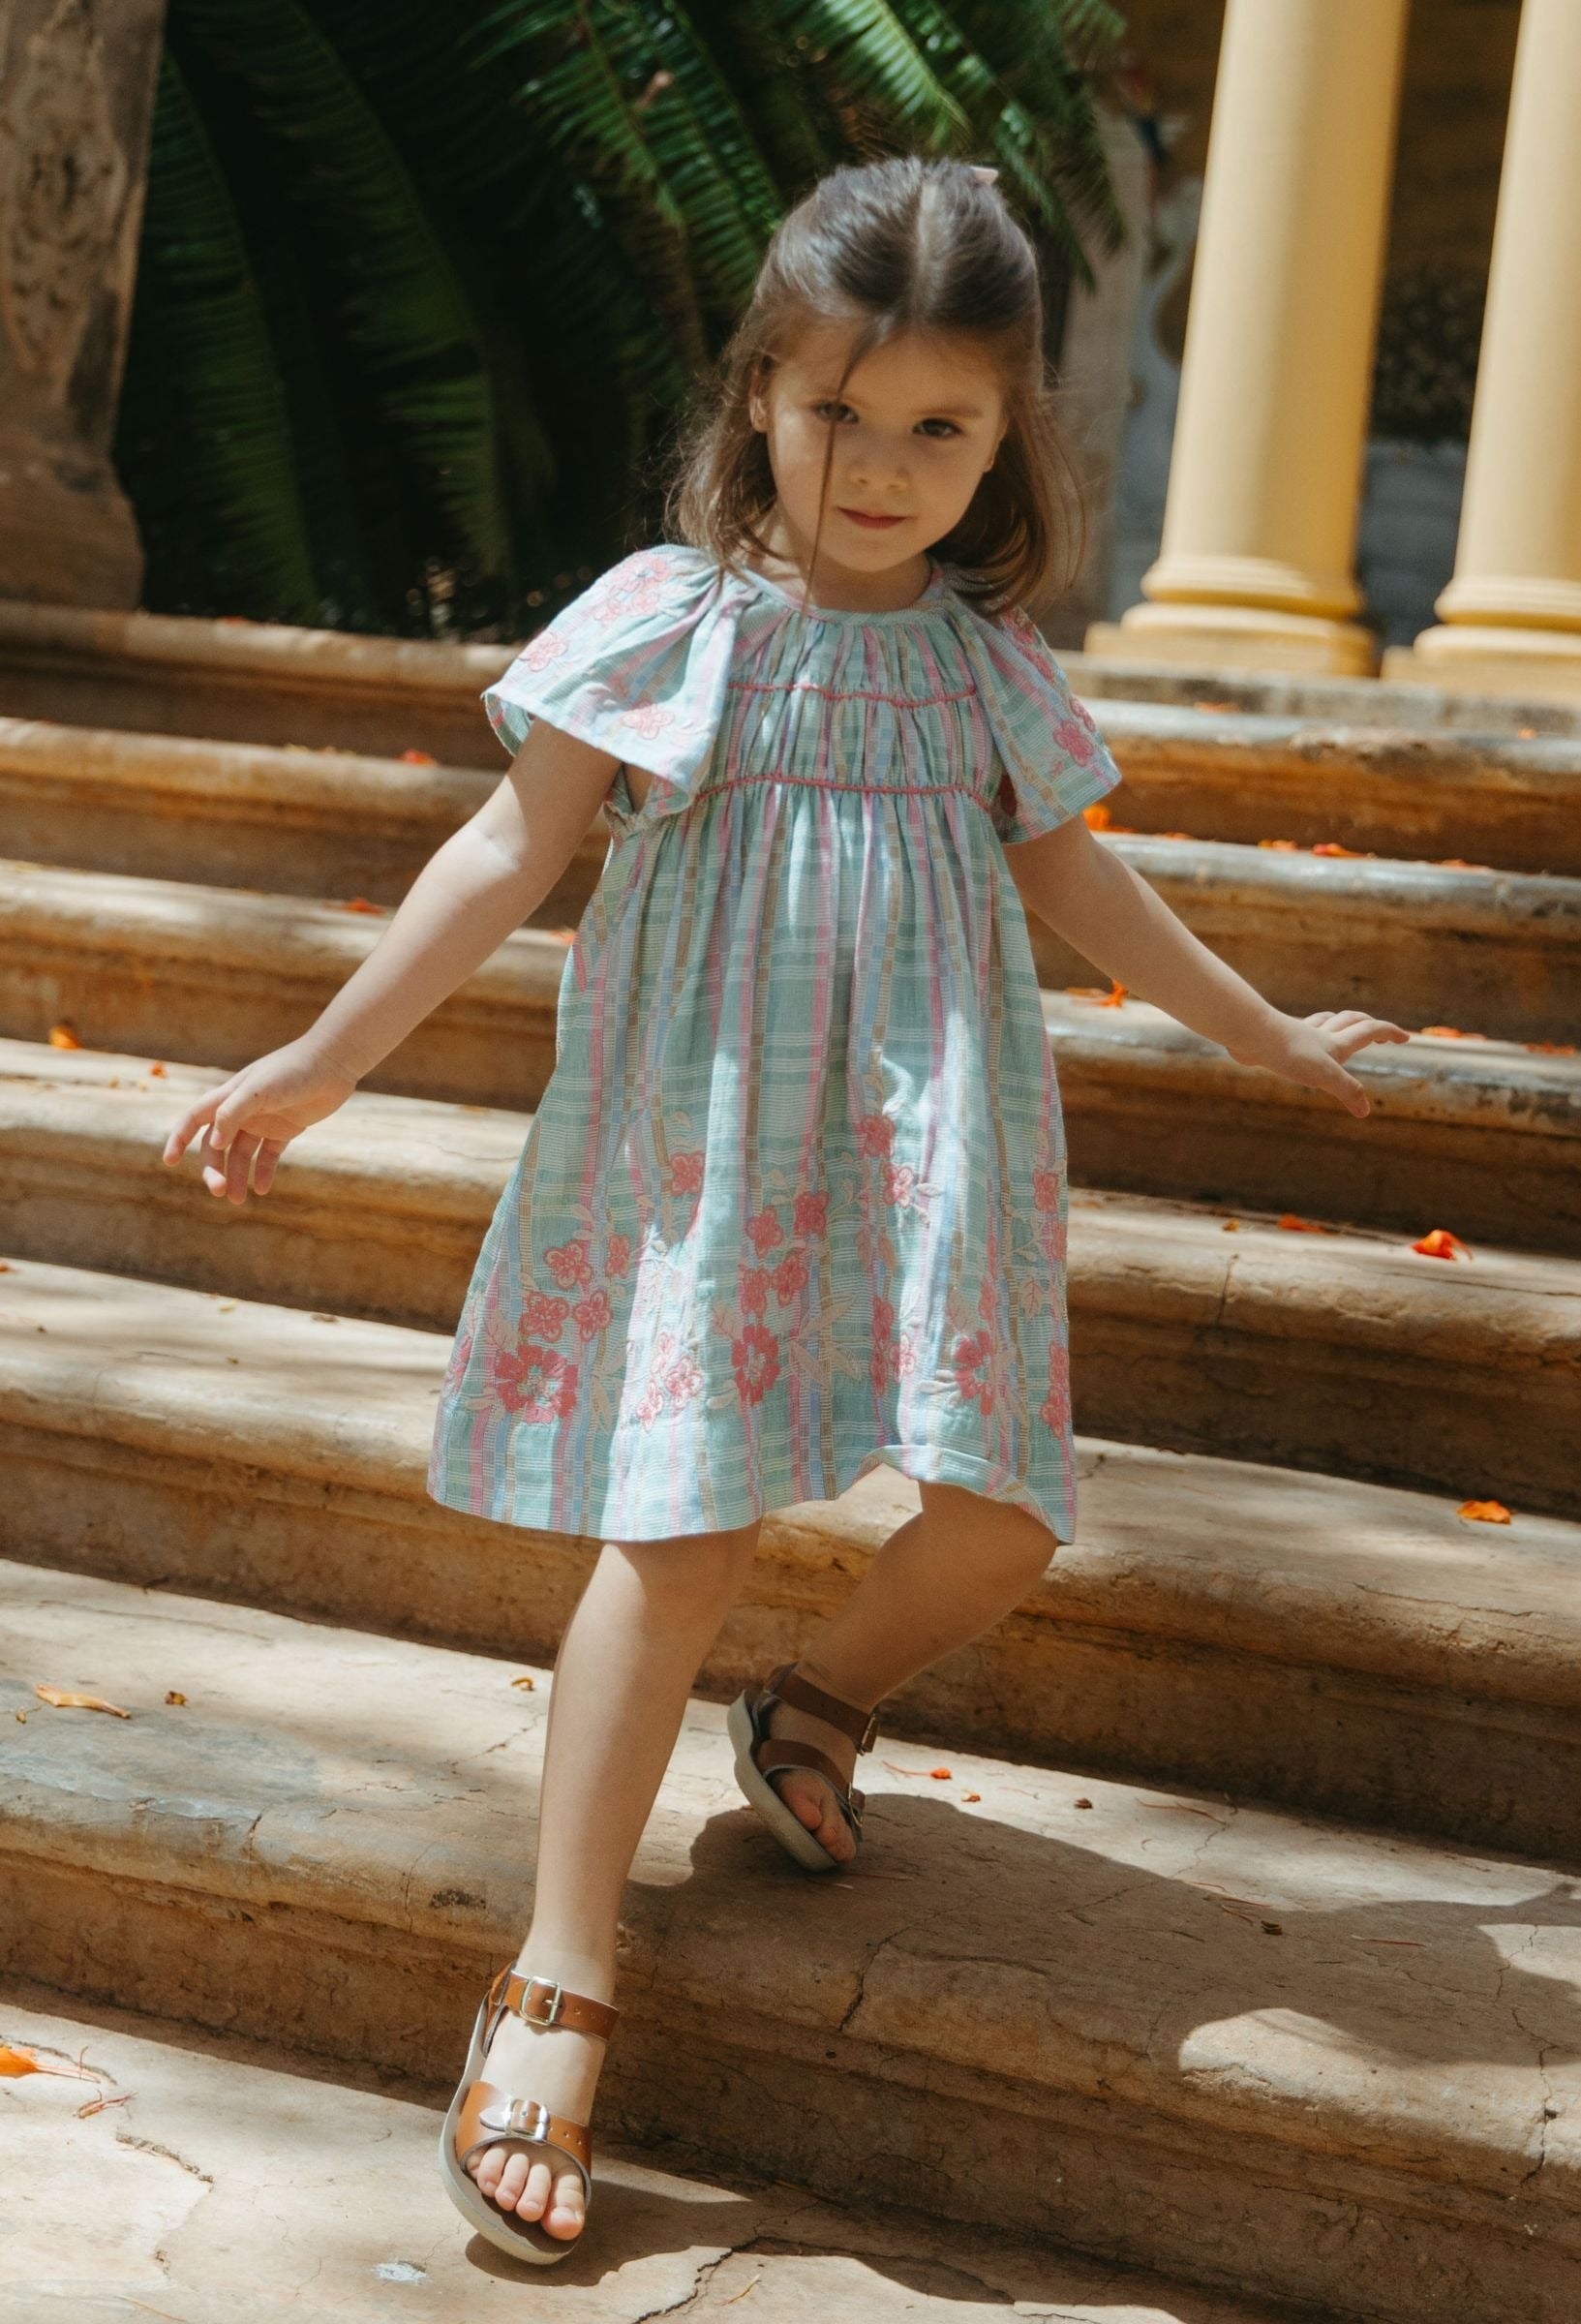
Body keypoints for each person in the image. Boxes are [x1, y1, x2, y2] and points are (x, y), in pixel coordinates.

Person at [163, 155, 1408, 2265]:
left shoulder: (987, 664)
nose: (885, 467)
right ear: (758, 394)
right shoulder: (673, 625)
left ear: (1010, 436)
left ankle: (816, 1703)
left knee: (1006, 1511)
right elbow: (497, 854)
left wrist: (1261, 1034)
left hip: (938, 1146)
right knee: (678, 1532)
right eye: (842, 414)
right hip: (715, 1141)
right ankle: (559, 1973)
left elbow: (1079, 877)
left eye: (944, 427)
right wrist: (315, 1064)